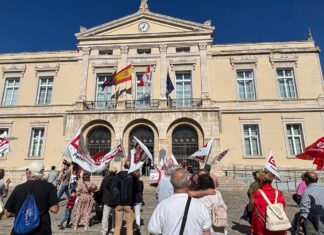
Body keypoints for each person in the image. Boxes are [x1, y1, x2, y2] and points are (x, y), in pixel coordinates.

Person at [148, 168, 212, 235]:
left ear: (171, 182)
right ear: (189, 183)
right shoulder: (200, 206)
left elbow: (153, 231)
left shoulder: (162, 206)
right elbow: (206, 232)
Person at [4, 161, 59, 235]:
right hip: (42, 230)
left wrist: (25, 213)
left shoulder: (18, 188)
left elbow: (8, 214)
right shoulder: (49, 187)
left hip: (20, 230)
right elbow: (55, 209)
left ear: (29, 172)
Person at [248, 170, 287, 235]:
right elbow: (283, 207)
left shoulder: (256, 193)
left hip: (261, 226)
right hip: (277, 225)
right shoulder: (279, 193)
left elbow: (250, 208)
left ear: (260, 181)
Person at [114, 160, 138, 235]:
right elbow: (135, 190)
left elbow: (114, 188)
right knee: (129, 225)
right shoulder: (133, 177)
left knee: (117, 225)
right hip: (129, 203)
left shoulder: (117, 175)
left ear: (124, 166)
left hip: (119, 202)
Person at [100, 165, 117, 235]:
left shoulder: (105, 178)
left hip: (107, 200)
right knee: (114, 215)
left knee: (105, 216)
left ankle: (104, 231)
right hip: (115, 200)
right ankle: (113, 228)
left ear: (109, 171)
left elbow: (101, 188)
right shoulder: (117, 179)